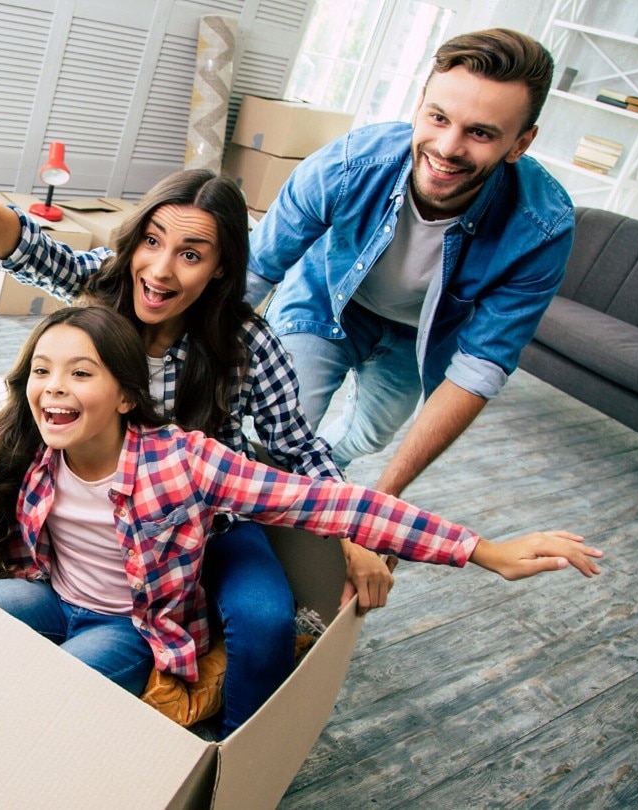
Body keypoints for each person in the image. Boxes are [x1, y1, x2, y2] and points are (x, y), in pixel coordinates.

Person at [0, 306, 602, 709]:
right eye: (43, 372)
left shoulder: (183, 464)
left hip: (134, 625)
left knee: (57, 695)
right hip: (46, 591)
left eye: (80, 373)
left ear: (126, 396)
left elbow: (320, 499)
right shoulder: (22, 442)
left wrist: (480, 548)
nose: (55, 390)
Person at [0, 148, 394, 733]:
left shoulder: (245, 341)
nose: (160, 271)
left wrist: (357, 536)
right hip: (99, 536)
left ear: (219, 269)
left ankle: (225, 761)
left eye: (190, 255)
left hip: (211, 526)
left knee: (266, 620)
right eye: (152, 242)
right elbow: (27, 248)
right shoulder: (103, 293)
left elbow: (295, 447)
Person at [246, 28, 574, 499]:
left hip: (419, 335)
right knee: (276, 435)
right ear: (420, 104)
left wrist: (384, 506)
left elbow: (480, 368)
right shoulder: (346, 165)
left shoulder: (542, 228)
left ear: (520, 143)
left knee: (371, 437)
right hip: (325, 301)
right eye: (438, 118)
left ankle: (321, 476)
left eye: (480, 133)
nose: (447, 148)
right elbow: (255, 272)